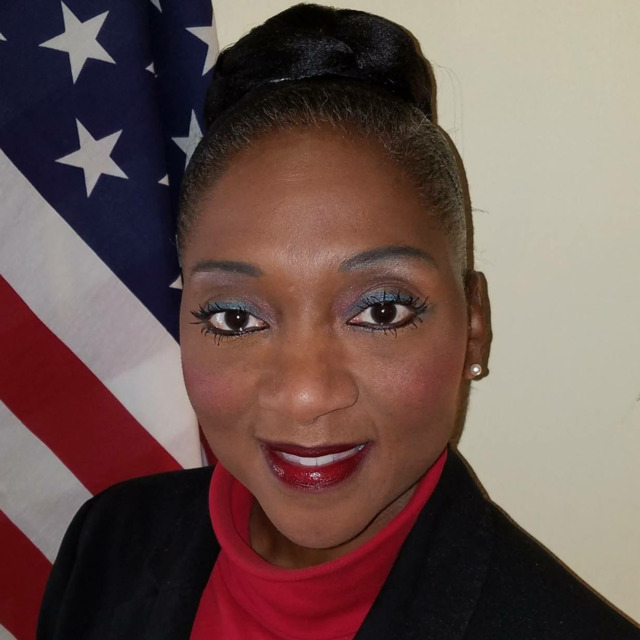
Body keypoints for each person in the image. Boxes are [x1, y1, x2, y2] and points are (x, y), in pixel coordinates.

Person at [37, 4, 640, 639]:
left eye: (381, 311)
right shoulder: (107, 544)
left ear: (474, 327)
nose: (306, 396)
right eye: (236, 317)